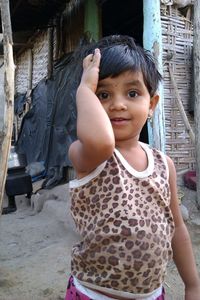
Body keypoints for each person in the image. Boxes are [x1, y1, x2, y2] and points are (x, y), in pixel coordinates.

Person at [66, 35, 200, 300]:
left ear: (151, 105)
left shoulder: (164, 165)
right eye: (102, 94)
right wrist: (84, 88)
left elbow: (177, 229)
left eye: (132, 93)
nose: (118, 104)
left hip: (151, 294)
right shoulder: (87, 155)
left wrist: (192, 284)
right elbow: (103, 142)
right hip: (93, 294)